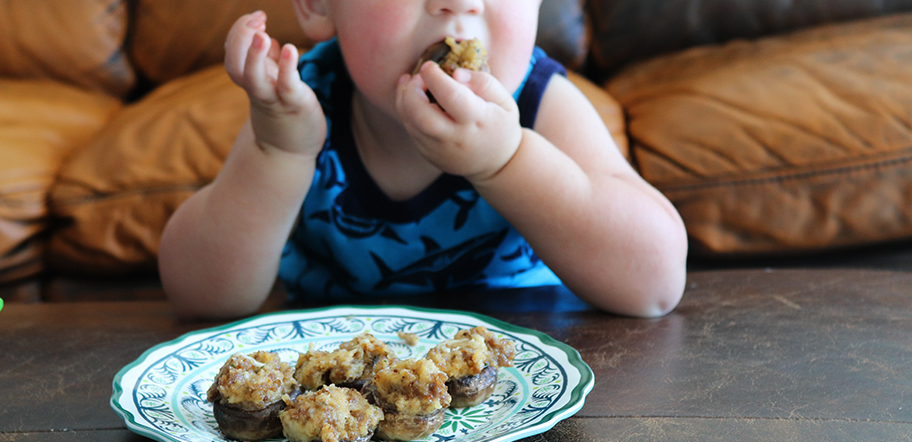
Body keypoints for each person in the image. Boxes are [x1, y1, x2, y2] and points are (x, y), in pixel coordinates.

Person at [159, 0, 688, 320]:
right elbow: (199, 296)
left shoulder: (537, 103)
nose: (459, 3)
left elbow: (656, 282)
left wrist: (507, 161)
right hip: (345, 405)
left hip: (527, 378)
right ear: (321, 4)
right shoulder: (300, 107)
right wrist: (278, 153)